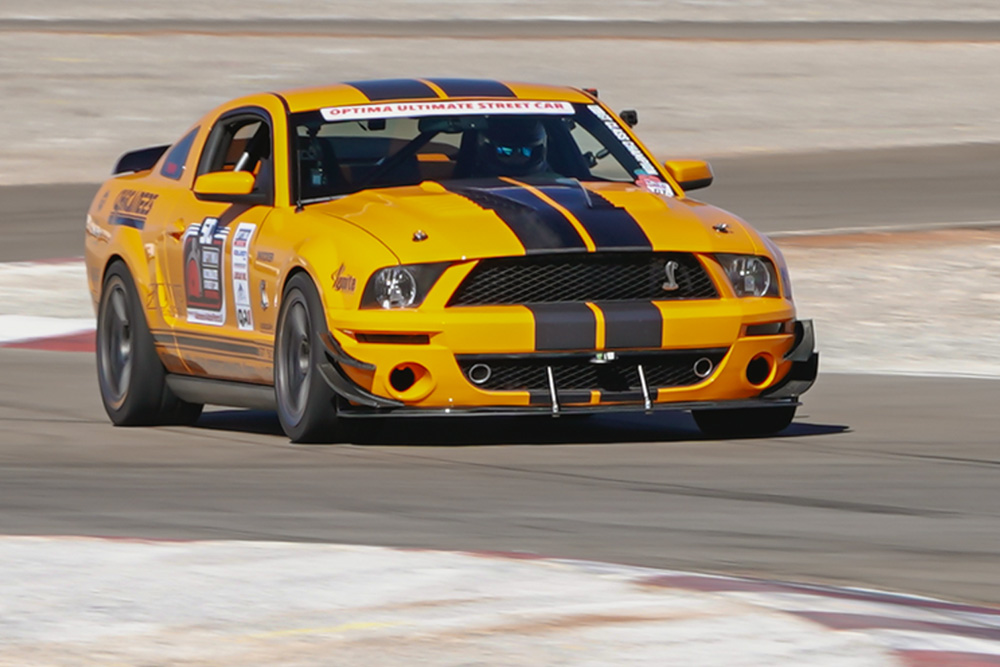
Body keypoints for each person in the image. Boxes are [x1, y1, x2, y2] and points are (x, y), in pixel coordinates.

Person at [474, 117, 552, 177]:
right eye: (506, 151)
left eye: (524, 151)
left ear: (536, 153)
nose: (515, 156)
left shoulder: (555, 184)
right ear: (489, 152)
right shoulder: (470, 186)